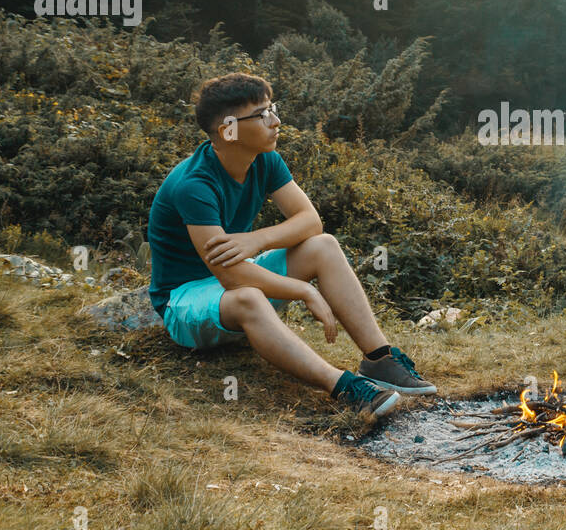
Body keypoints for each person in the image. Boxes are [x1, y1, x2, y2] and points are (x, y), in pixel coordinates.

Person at [146, 71, 434, 421]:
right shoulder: (194, 185)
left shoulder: (264, 159)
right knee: (248, 296)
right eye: (262, 115)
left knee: (323, 246)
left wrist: (257, 238)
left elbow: (310, 221)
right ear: (229, 130)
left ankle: (379, 360)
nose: (276, 121)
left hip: (229, 287)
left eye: (273, 109)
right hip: (185, 300)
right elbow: (233, 277)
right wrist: (303, 291)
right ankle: (343, 387)